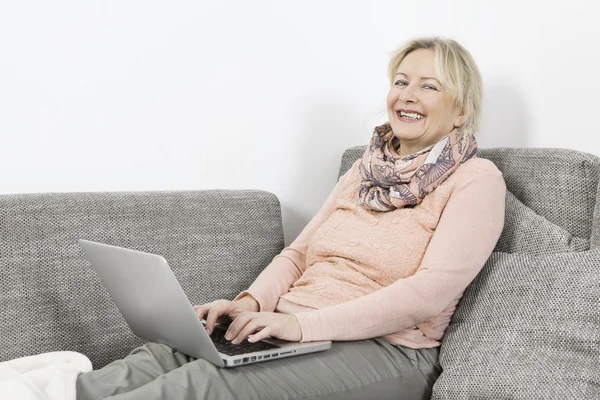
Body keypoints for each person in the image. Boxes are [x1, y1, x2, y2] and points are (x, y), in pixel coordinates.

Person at [77, 36, 506, 400]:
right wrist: (248, 304)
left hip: (388, 349)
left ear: (461, 111)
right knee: (152, 362)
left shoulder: (475, 179)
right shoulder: (365, 167)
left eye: (429, 86)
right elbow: (299, 254)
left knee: (203, 385)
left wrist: (299, 326)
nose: (407, 95)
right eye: (401, 82)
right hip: (292, 325)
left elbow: (428, 294)